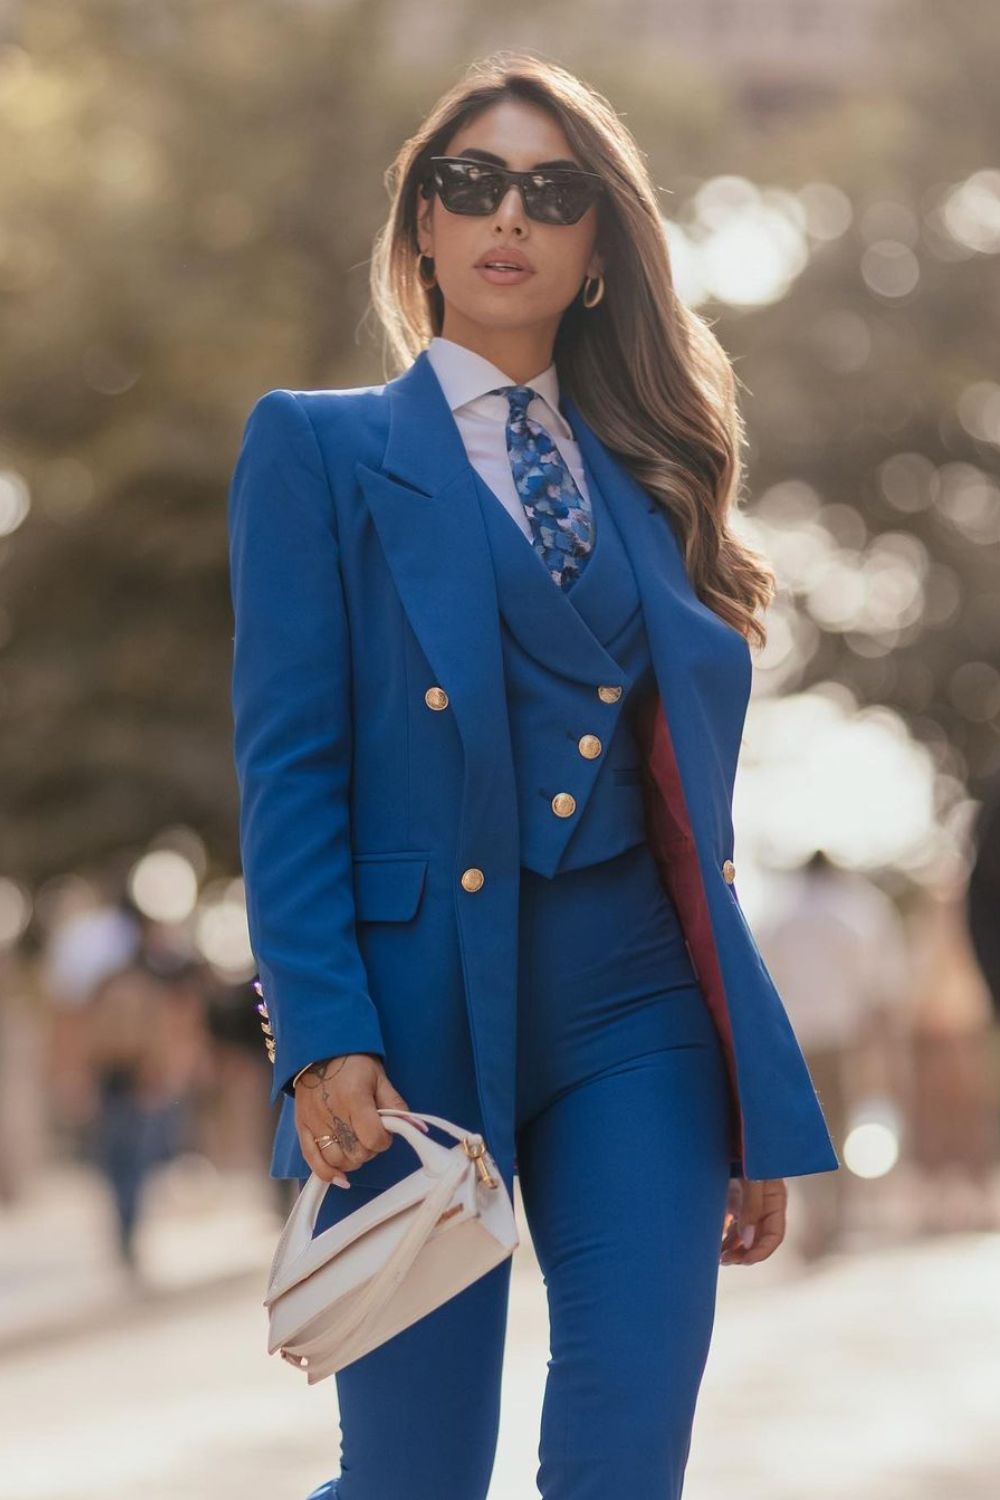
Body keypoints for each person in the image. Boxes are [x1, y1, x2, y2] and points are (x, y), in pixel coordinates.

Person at [227, 51, 839, 1500]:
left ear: (597, 256)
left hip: (641, 1019)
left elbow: (697, 816)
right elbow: (289, 764)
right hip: (411, 1026)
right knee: (412, 1482)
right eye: (472, 184)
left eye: (554, 194)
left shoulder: (661, 481)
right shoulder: (315, 450)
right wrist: (320, 1031)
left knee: (627, 1466)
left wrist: (746, 1088)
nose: (511, 214)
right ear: (422, 230)